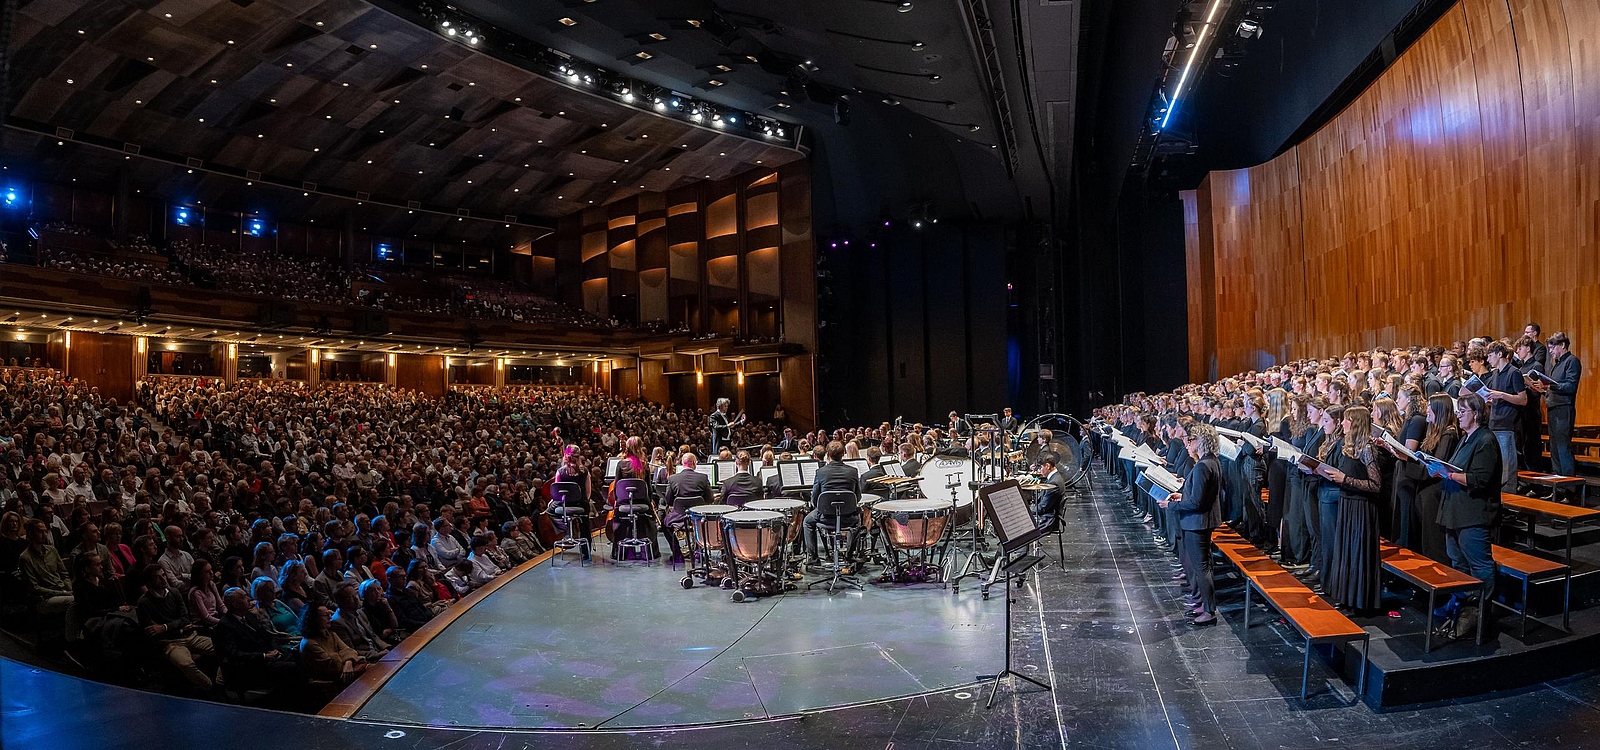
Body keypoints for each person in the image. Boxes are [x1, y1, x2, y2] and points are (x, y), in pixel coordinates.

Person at [1431, 392, 1502, 635]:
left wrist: (1448, 474)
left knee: (1480, 565)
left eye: (1463, 411)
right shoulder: (1466, 438)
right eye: (1458, 411)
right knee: (1457, 562)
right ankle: (1460, 607)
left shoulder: (1486, 440)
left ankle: (1480, 614)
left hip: (1473, 514)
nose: (1459, 415)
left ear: (1477, 414)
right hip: (1456, 511)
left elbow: (1479, 479)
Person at [1322, 406, 1384, 614]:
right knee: (1346, 552)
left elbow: (1375, 485)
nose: (1342, 423)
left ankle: (1359, 601)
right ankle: (1346, 597)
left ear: (1356, 423)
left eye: (1347, 420)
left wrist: (1346, 479)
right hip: (1347, 504)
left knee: (1358, 553)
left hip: (1361, 509)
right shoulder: (1348, 447)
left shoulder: (1367, 448)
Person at [1159, 422, 1221, 627]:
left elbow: (1196, 503)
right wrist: (1181, 496)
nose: (1188, 443)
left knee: (1201, 568)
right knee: (1203, 566)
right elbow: (1198, 495)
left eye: (1192, 439)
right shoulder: (1211, 461)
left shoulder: (1203, 465)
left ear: (1201, 441)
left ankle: (1209, 611)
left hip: (1198, 523)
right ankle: (1204, 605)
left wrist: (1171, 505)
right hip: (1201, 521)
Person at [136, 565, 217, 692]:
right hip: (171, 642)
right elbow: (152, 632)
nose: (163, 579)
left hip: (190, 635)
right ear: (150, 582)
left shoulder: (174, 592)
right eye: (157, 577)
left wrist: (165, 627)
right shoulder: (144, 603)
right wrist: (178, 628)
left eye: (163, 575)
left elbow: (185, 618)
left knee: (222, 647)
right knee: (186, 663)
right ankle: (210, 688)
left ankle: (221, 681)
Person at [1532, 331, 1582, 498]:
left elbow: (1570, 386)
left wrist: (1550, 385)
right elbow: (1554, 387)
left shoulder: (1572, 361)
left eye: (1553, 348)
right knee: (1554, 449)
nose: (1551, 351)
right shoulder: (1557, 364)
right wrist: (1543, 388)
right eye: (1549, 348)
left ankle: (1569, 490)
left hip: (1564, 410)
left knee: (1562, 449)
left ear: (1563, 345)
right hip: (1553, 409)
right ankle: (1558, 489)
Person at [803, 441, 861, 567]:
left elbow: (815, 499)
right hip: (848, 518)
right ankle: (849, 555)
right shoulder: (853, 471)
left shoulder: (820, 472)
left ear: (827, 455)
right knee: (858, 521)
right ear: (843, 454)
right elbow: (858, 497)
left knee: (807, 522)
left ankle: (814, 558)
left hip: (825, 517)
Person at [1481, 341, 1527, 492]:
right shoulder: (1495, 373)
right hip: (1494, 423)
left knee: (1507, 468)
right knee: (1496, 465)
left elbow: (1523, 399)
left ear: (1500, 354)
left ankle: (1509, 497)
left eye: (1490, 355)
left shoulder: (1514, 372)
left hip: (1507, 425)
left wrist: (1501, 395)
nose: (1488, 359)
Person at [19, 519, 74, 639]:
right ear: (31, 534)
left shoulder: (52, 550)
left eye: (45, 531)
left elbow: (64, 573)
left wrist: (69, 588)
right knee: (74, 601)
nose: (44, 534)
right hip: (44, 597)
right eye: (40, 532)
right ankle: (72, 637)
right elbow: (35, 587)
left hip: (62, 589)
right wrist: (63, 593)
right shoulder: (26, 558)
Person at [662, 453, 713, 564]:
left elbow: (669, 501)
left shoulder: (672, 478)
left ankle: (677, 555)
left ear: (682, 463)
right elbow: (710, 499)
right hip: (698, 518)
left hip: (679, 517)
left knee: (665, 525)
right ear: (694, 463)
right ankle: (699, 552)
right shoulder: (703, 478)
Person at [298, 604, 366, 684]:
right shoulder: (309, 643)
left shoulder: (330, 634)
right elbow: (334, 666)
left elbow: (350, 650)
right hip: (333, 681)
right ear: (314, 619)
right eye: (326, 615)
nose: (330, 617)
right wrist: (344, 656)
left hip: (346, 670)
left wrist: (348, 662)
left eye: (329, 614)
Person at [1030, 452, 1066, 528]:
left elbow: (1043, 507)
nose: (1039, 471)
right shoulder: (1055, 477)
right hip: (1047, 515)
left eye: (1040, 468)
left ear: (1047, 466)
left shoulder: (1054, 483)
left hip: (1047, 519)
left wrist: (1027, 511)